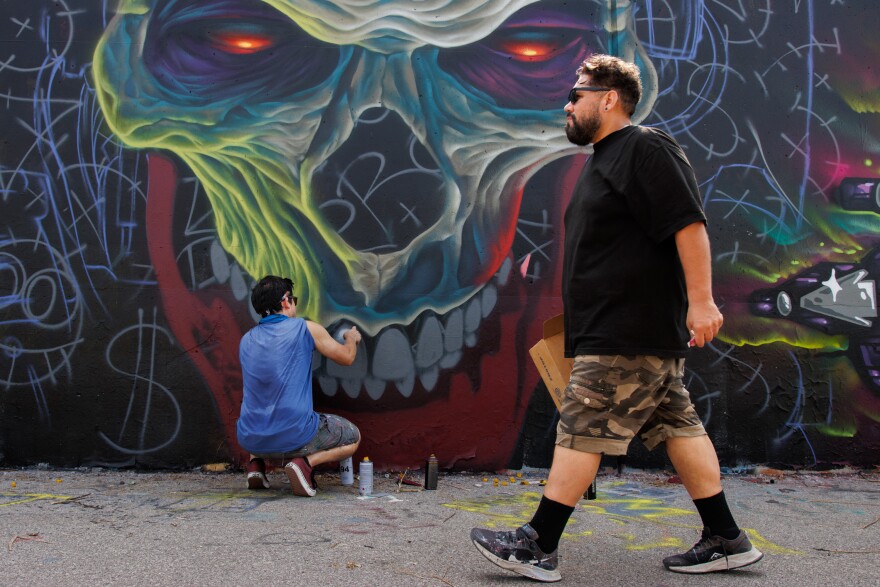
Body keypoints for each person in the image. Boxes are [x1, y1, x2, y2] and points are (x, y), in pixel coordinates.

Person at [470, 54, 764, 582]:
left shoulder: (644, 149)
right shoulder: (604, 160)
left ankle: (538, 543)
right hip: (621, 327)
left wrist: (703, 301)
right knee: (678, 426)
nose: (567, 104)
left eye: (576, 94)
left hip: (627, 328)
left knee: (582, 422)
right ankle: (726, 537)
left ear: (608, 98)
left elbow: (689, 225)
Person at [237, 275, 362, 497]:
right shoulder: (305, 329)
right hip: (294, 434)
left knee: (263, 408)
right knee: (354, 436)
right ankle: (304, 463)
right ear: (285, 301)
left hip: (250, 438)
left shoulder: (246, 340)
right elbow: (347, 358)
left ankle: (256, 465)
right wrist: (351, 338)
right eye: (293, 298)